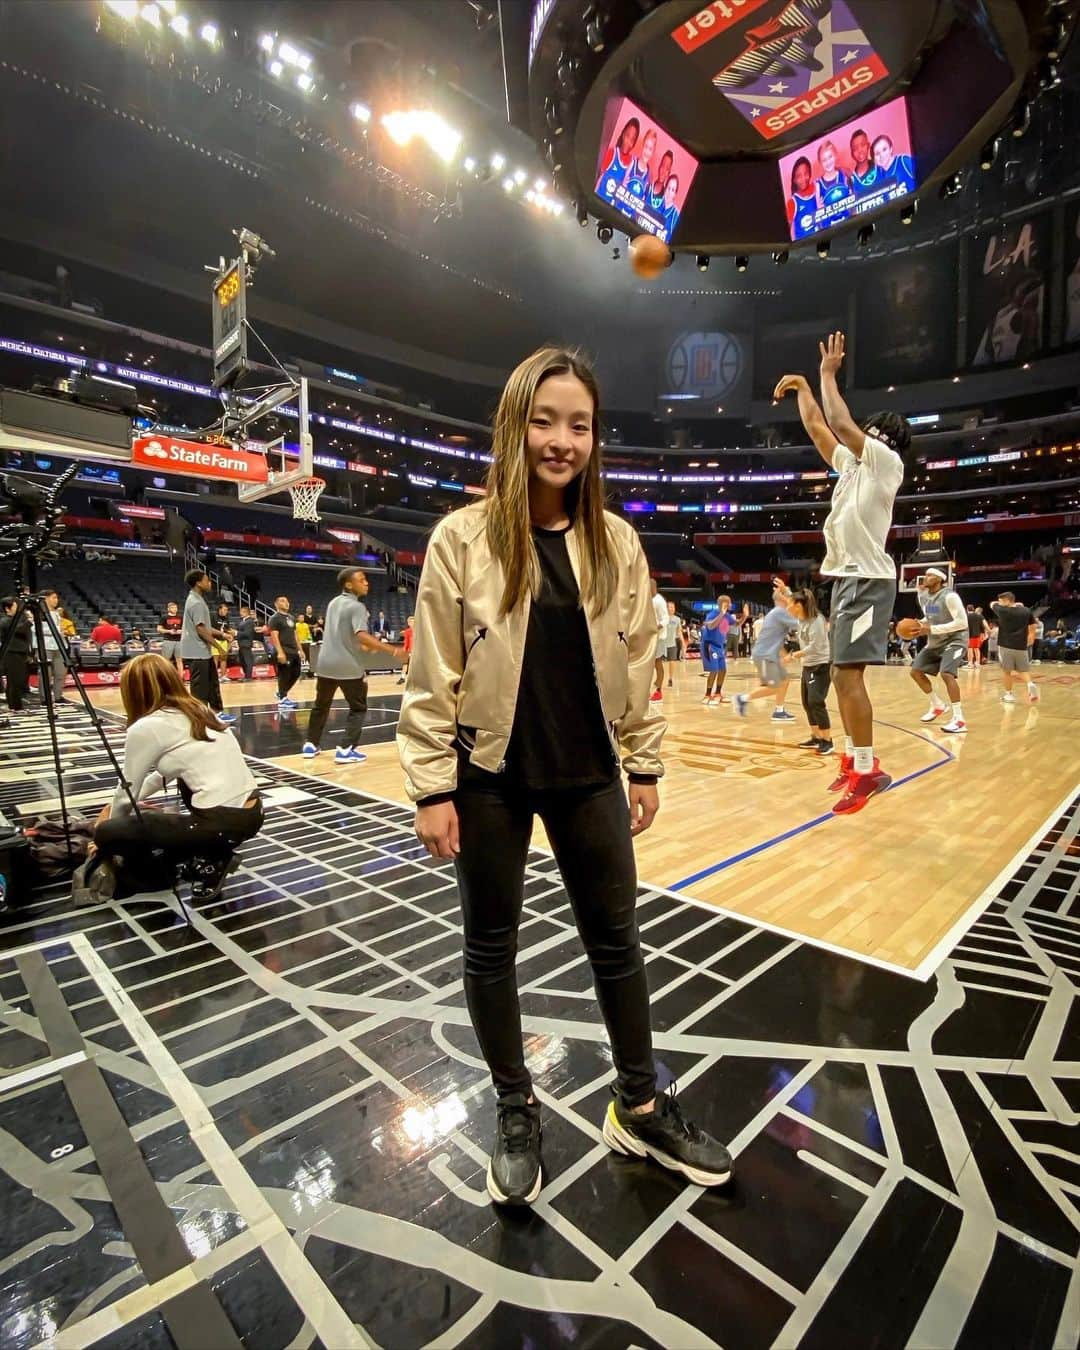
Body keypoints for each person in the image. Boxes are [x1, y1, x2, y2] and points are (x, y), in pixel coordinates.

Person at [398, 346, 732, 1207]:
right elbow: (432, 674)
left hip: (588, 775)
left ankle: (641, 1105)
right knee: (490, 949)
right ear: (515, 427)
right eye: (545, 420)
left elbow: (640, 660)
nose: (562, 440)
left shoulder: (616, 542)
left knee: (617, 945)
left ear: (594, 437)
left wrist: (646, 764)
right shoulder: (461, 540)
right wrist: (433, 786)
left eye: (578, 424)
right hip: (490, 777)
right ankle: (516, 1108)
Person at [773, 331, 908, 814]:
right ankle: (853, 760)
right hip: (849, 579)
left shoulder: (885, 462)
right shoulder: (853, 466)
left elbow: (838, 421)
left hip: (869, 582)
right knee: (839, 673)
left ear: (879, 436)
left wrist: (828, 375)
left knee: (848, 678)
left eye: (865, 432)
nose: (856, 436)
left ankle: (868, 770)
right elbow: (818, 427)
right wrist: (804, 388)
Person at [85, 654, 262, 904]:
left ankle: (210, 855)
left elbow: (126, 793)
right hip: (252, 813)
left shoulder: (146, 727)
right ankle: (210, 852)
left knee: (112, 831)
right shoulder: (200, 710)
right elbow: (161, 775)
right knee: (174, 791)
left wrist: (105, 836)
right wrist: (115, 808)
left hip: (222, 822)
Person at [302, 569, 405, 765]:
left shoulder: (333, 603)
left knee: (320, 706)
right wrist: (391, 650)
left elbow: (343, 635)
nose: (366, 583)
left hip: (324, 663)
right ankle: (346, 749)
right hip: (347, 665)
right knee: (358, 708)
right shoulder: (356, 607)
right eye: (361, 580)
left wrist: (365, 646)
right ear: (349, 585)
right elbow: (360, 634)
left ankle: (310, 744)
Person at [911, 568, 969, 733]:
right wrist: (918, 625)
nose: (926, 578)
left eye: (930, 575)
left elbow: (962, 623)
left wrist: (931, 629)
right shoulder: (926, 598)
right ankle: (937, 705)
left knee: (947, 674)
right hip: (936, 642)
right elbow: (930, 618)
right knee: (915, 671)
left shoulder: (950, 596)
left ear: (939, 579)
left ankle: (959, 719)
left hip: (955, 640)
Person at [733, 579, 798, 721]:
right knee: (774, 686)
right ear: (782, 598)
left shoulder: (778, 613)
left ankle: (779, 711)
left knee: (785, 680)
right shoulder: (780, 613)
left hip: (769, 654)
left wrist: (784, 655)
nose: (792, 601)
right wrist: (787, 592)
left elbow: (776, 639)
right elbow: (801, 622)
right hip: (764, 656)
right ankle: (742, 699)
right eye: (787, 597)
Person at [180, 569, 236, 726]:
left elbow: (206, 626)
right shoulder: (195, 602)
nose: (209, 583)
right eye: (207, 580)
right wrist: (218, 646)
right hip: (195, 651)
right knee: (200, 689)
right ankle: (199, 718)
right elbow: (201, 629)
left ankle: (217, 713)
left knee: (212, 684)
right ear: (198, 583)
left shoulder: (198, 599)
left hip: (202, 652)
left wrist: (222, 634)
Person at [788, 586, 833, 753]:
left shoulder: (817, 621)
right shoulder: (801, 618)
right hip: (807, 666)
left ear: (798, 606)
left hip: (820, 665)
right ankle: (816, 737)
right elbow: (791, 598)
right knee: (807, 703)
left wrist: (793, 655)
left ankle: (827, 741)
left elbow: (815, 647)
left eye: (790, 605)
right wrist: (784, 590)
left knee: (816, 701)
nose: (788, 608)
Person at [990, 592, 1039, 704]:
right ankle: (1030, 684)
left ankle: (1009, 695)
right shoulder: (1026, 610)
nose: (1000, 603)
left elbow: (992, 603)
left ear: (1007, 601)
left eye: (1001, 600)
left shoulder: (1002, 610)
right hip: (1021, 645)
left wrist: (1002, 604)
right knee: (1023, 670)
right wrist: (1031, 637)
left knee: (1007, 671)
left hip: (1005, 645)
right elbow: (1033, 625)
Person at [267, 596, 302, 710]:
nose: (286, 603)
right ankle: (283, 700)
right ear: (276, 605)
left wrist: (300, 650)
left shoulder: (291, 617)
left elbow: (295, 635)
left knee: (296, 673)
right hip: (283, 650)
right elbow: (274, 636)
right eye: (282, 601)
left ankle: (281, 692)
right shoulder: (274, 618)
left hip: (293, 650)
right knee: (284, 674)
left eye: (287, 601)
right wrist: (280, 652)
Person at [1, 596, 31, 713]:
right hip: (12, 653)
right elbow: (18, 629)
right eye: (15, 606)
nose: (18, 608)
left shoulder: (15, 620)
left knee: (17, 680)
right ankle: (15, 706)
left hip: (20, 652)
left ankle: (14, 705)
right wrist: (29, 621)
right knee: (14, 681)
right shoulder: (5, 621)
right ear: (7, 609)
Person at [39, 588, 68, 706]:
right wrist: (56, 630)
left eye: (56, 597)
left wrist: (61, 632)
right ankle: (45, 698)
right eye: (53, 598)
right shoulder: (39, 613)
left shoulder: (56, 613)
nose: (56, 600)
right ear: (45, 599)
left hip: (59, 645)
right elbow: (38, 630)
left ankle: (58, 696)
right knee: (45, 672)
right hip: (45, 645)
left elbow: (58, 629)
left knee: (61, 672)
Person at [597, 117, 639, 200]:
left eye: (632, 139)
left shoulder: (632, 163)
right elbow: (600, 179)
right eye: (628, 135)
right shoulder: (612, 153)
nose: (629, 141)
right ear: (623, 134)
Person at [700, 596, 731, 705]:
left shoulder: (727, 616)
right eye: (728, 603)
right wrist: (721, 614)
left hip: (720, 646)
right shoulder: (712, 614)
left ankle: (718, 693)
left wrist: (745, 617)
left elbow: (736, 624)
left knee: (723, 670)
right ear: (722, 604)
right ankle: (707, 695)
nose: (730, 604)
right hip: (710, 645)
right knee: (714, 670)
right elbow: (711, 626)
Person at [815, 140, 850, 220]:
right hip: (831, 225)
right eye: (824, 160)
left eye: (830, 157)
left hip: (847, 220)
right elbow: (819, 211)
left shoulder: (844, 175)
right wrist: (820, 209)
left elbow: (852, 197)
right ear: (820, 162)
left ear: (835, 156)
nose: (828, 162)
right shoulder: (818, 185)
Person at [786, 155, 818, 240]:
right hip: (806, 244)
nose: (803, 178)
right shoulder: (792, 202)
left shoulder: (817, 186)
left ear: (810, 174)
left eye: (806, 173)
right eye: (799, 176)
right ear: (794, 180)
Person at [626, 127, 657, 200]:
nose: (647, 152)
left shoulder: (649, 176)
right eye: (646, 146)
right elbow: (621, 184)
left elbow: (644, 200)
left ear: (653, 152)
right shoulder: (631, 162)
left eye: (650, 149)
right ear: (642, 145)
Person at [650, 579, 668, 702]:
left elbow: (665, 619)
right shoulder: (647, 599)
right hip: (648, 637)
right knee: (647, 665)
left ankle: (658, 691)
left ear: (654, 587)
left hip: (659, 637)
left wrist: (655, 628)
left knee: (657, 663)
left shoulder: (659, 601)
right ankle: (648, 690)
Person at [157, 600, 184, 676]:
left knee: (179, 660)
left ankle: (180, 678)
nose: (175, 609)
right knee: (166, 660)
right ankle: (164, 676)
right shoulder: (164, 617)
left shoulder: (181, 617)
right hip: (168, 640)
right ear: (168, 608)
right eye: (173, 607)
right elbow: (159, 629)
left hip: (179, 640)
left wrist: (180, 631)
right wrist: (169, 631)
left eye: (176, 607)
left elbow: (185, 629)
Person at [849, 128, 878, 197]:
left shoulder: (879, 168)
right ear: (852, 154)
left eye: (862, 145)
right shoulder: (851, 180)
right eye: (855, 148)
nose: (860, 150)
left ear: (868, 146)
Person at [235, 605, 257, 681]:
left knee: (247, 661)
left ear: (245, 612)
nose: (240, 613)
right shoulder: (243, 621)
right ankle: (246, 676)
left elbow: (247, 633)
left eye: (241, 611)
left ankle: (248, 677)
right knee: (242, 660)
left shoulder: (249, 621)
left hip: (246, 643)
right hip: (241, 644)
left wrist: (236, 633)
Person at [214, 602, 234, 681]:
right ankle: (215, 677)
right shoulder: (213, 617)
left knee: (224, 658)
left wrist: (230, 634)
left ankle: (223, 676)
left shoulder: (226, 619)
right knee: (215, 659)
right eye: (224, 610)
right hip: (215, 640)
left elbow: (227, 629)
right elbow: (211, 629)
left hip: (224, 641)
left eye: (227, 610)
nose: (226, 611)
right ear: (219, 609)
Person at [964, 603, 988, 670]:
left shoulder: (966, 616)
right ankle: (977, 663)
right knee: (977, 649)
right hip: (978, 635)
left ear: (967, 609)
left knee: (970, 649)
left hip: (969, 635)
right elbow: (983, 625)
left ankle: (970, 663)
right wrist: (984, 633)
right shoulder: (979, 616)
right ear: (973, 609)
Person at [664, 601, 680, 688]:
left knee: (672, 661)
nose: (671, 609)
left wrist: (683, 644)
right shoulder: (662, 618)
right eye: (669, 607)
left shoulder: (677, 619)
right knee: (658, 663)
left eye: (673, 607)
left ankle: (670, 678)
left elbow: (679, 632)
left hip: (672, 644)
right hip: (662, 644)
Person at [398, 614, 414, 686]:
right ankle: (402, 677)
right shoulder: (407, 631)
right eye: (410, 622)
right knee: (405, 664)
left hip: (417, 652)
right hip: (409, 651)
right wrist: (405, 650)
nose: (412, 623)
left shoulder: (419, 631)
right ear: (408, 623)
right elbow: (406, 642)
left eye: (413, 622)